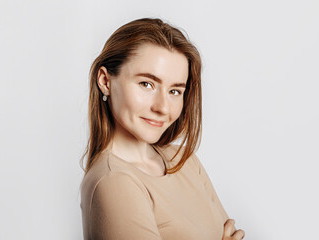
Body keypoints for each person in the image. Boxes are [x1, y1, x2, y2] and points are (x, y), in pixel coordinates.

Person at [80, 18, 245, 240]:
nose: (162, 107)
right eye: (146, 84)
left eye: (175, 91)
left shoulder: (184, 160)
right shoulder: (114, 181)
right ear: (105, 81)